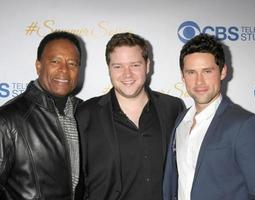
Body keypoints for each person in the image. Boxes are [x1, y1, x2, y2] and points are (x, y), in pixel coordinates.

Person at [163, 33, 255, 200]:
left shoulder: (245, 125)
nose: (199, 81)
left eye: (207, 71)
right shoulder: (181, 121)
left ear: (223, 71)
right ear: (183, 76)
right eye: (191, 72)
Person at [76, 32, 185, 200]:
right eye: (118, 66)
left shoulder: (172, 108)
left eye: (135, 65)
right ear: (109, 69)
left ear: (147, 66)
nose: (127, 74)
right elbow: (77, 181)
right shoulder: (85, 114)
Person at [0, 31, 84, 199]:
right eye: (55, 61)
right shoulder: (8, 119)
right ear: (39, 66)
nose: (64, 70)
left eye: (72, 63)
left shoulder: (84, 113)